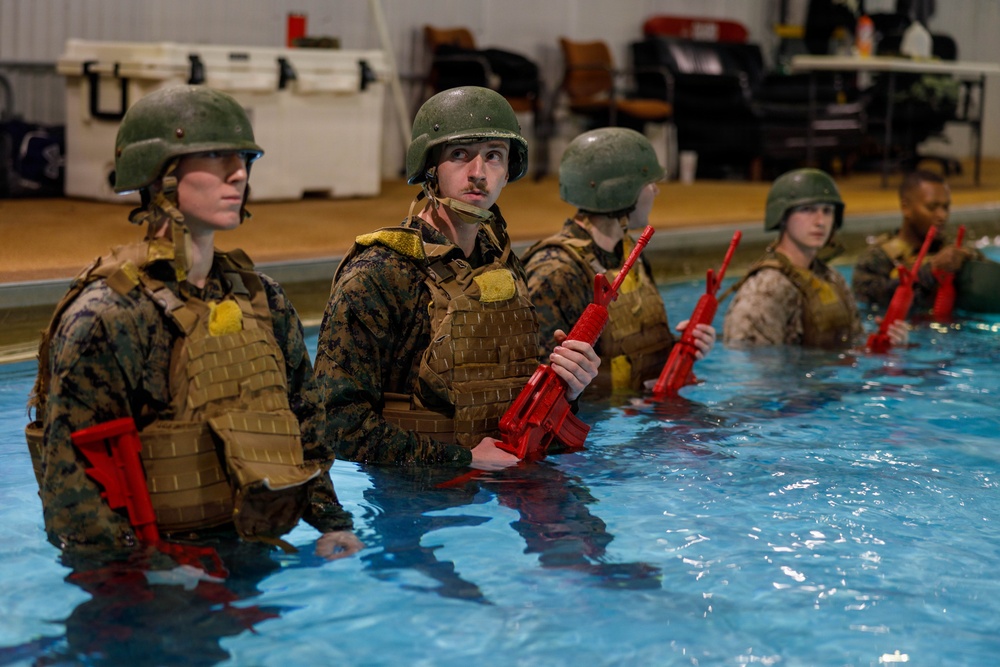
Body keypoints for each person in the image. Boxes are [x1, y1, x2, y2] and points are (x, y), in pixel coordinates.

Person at [25, 85, 362, 559]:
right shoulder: (110, 316)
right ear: (159, 175)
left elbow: (304, 423)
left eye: (243, 157)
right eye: (212, 156)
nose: (239, 172)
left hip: (253, 547)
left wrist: (331, 523)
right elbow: (71, 486)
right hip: (154, 572)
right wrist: (149, 575)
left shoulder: (262, 298)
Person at [313, 86, 600, 469]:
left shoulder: (501, 263)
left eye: (494, 156)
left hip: (503, 480)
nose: (478, 173)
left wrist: (568, 386)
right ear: (430, 166)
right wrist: (461, 459)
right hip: (417, 500)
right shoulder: (378, 275)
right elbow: (337, 426)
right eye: (460, 155)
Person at [522, 127, 714, 392]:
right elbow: (539, 383)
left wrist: (684, 347)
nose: (656, 191)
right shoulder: (555, 270)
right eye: (649, 183)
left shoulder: (628, 253)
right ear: (622, 192)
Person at [723, 168, 907, 348]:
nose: (820, 221)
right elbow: (749, 366)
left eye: (827, 211)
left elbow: (853, 346)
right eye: (807, 209)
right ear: (783, 217)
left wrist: (885, 344)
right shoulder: (766, 288)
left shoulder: (833, 279)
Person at [852, 169, 979, 313]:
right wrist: (930, 271)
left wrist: (970, 260)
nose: (942, 216)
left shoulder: (953, 252)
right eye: (932, 207)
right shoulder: (876, 259)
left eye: (946, 207)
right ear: (906, 208)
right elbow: (872, 300)